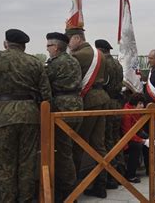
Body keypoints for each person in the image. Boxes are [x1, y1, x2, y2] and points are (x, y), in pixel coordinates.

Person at [0, 29, 52, 202]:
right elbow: (46, 96)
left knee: (5, 166)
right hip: (30, 117)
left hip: (3, 117)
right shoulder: (35, 63)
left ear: (6, 43)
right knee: (27, 165)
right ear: (24, 45)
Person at [66, 27, 110, 199]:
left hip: (88, 102)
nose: (68, 44)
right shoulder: (99, 54)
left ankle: (73, 189)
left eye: (69, 40)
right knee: (99, 145)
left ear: (77, 38)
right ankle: (101, 185)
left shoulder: (77, 56)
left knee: (78, 144)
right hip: (102, 98)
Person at [45, 32, 83, 202]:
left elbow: (45, 84)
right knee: (72, 149)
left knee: (63, 153)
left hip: (62, 108)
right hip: (77, 105)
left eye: (48, 46)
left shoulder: (55, 64)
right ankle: (71, 187)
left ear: (56, 47)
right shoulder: (74, 61)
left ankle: (68, 194)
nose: (47, 49)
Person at [95, 39, 125, 190]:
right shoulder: (117, 64)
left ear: (99, 50)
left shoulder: (103, 64)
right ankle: (120, 172)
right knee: (116, 139)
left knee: (106, 141)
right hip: (117, 104)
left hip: (106, 104)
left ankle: (110, 178)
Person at [121, 93, 155, 183]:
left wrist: (146, 139)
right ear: (134, 104)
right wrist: (142, 140)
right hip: (126, 138)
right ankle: (131, 175)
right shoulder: (127, 113)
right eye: (140, 104)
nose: (142, 106)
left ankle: (151, 169)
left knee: (152, 140)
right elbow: (128, 133)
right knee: (136, 146)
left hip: (136, 133)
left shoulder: (137, 111)